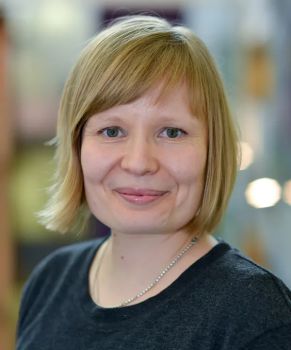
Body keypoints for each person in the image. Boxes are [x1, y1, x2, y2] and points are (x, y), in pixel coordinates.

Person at [16, 15, 291, 350]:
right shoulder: (50, 281)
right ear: (77, 146)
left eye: (172, 132)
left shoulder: (257, 315)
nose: (139, 163)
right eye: (112, 131)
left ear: (212, 148)